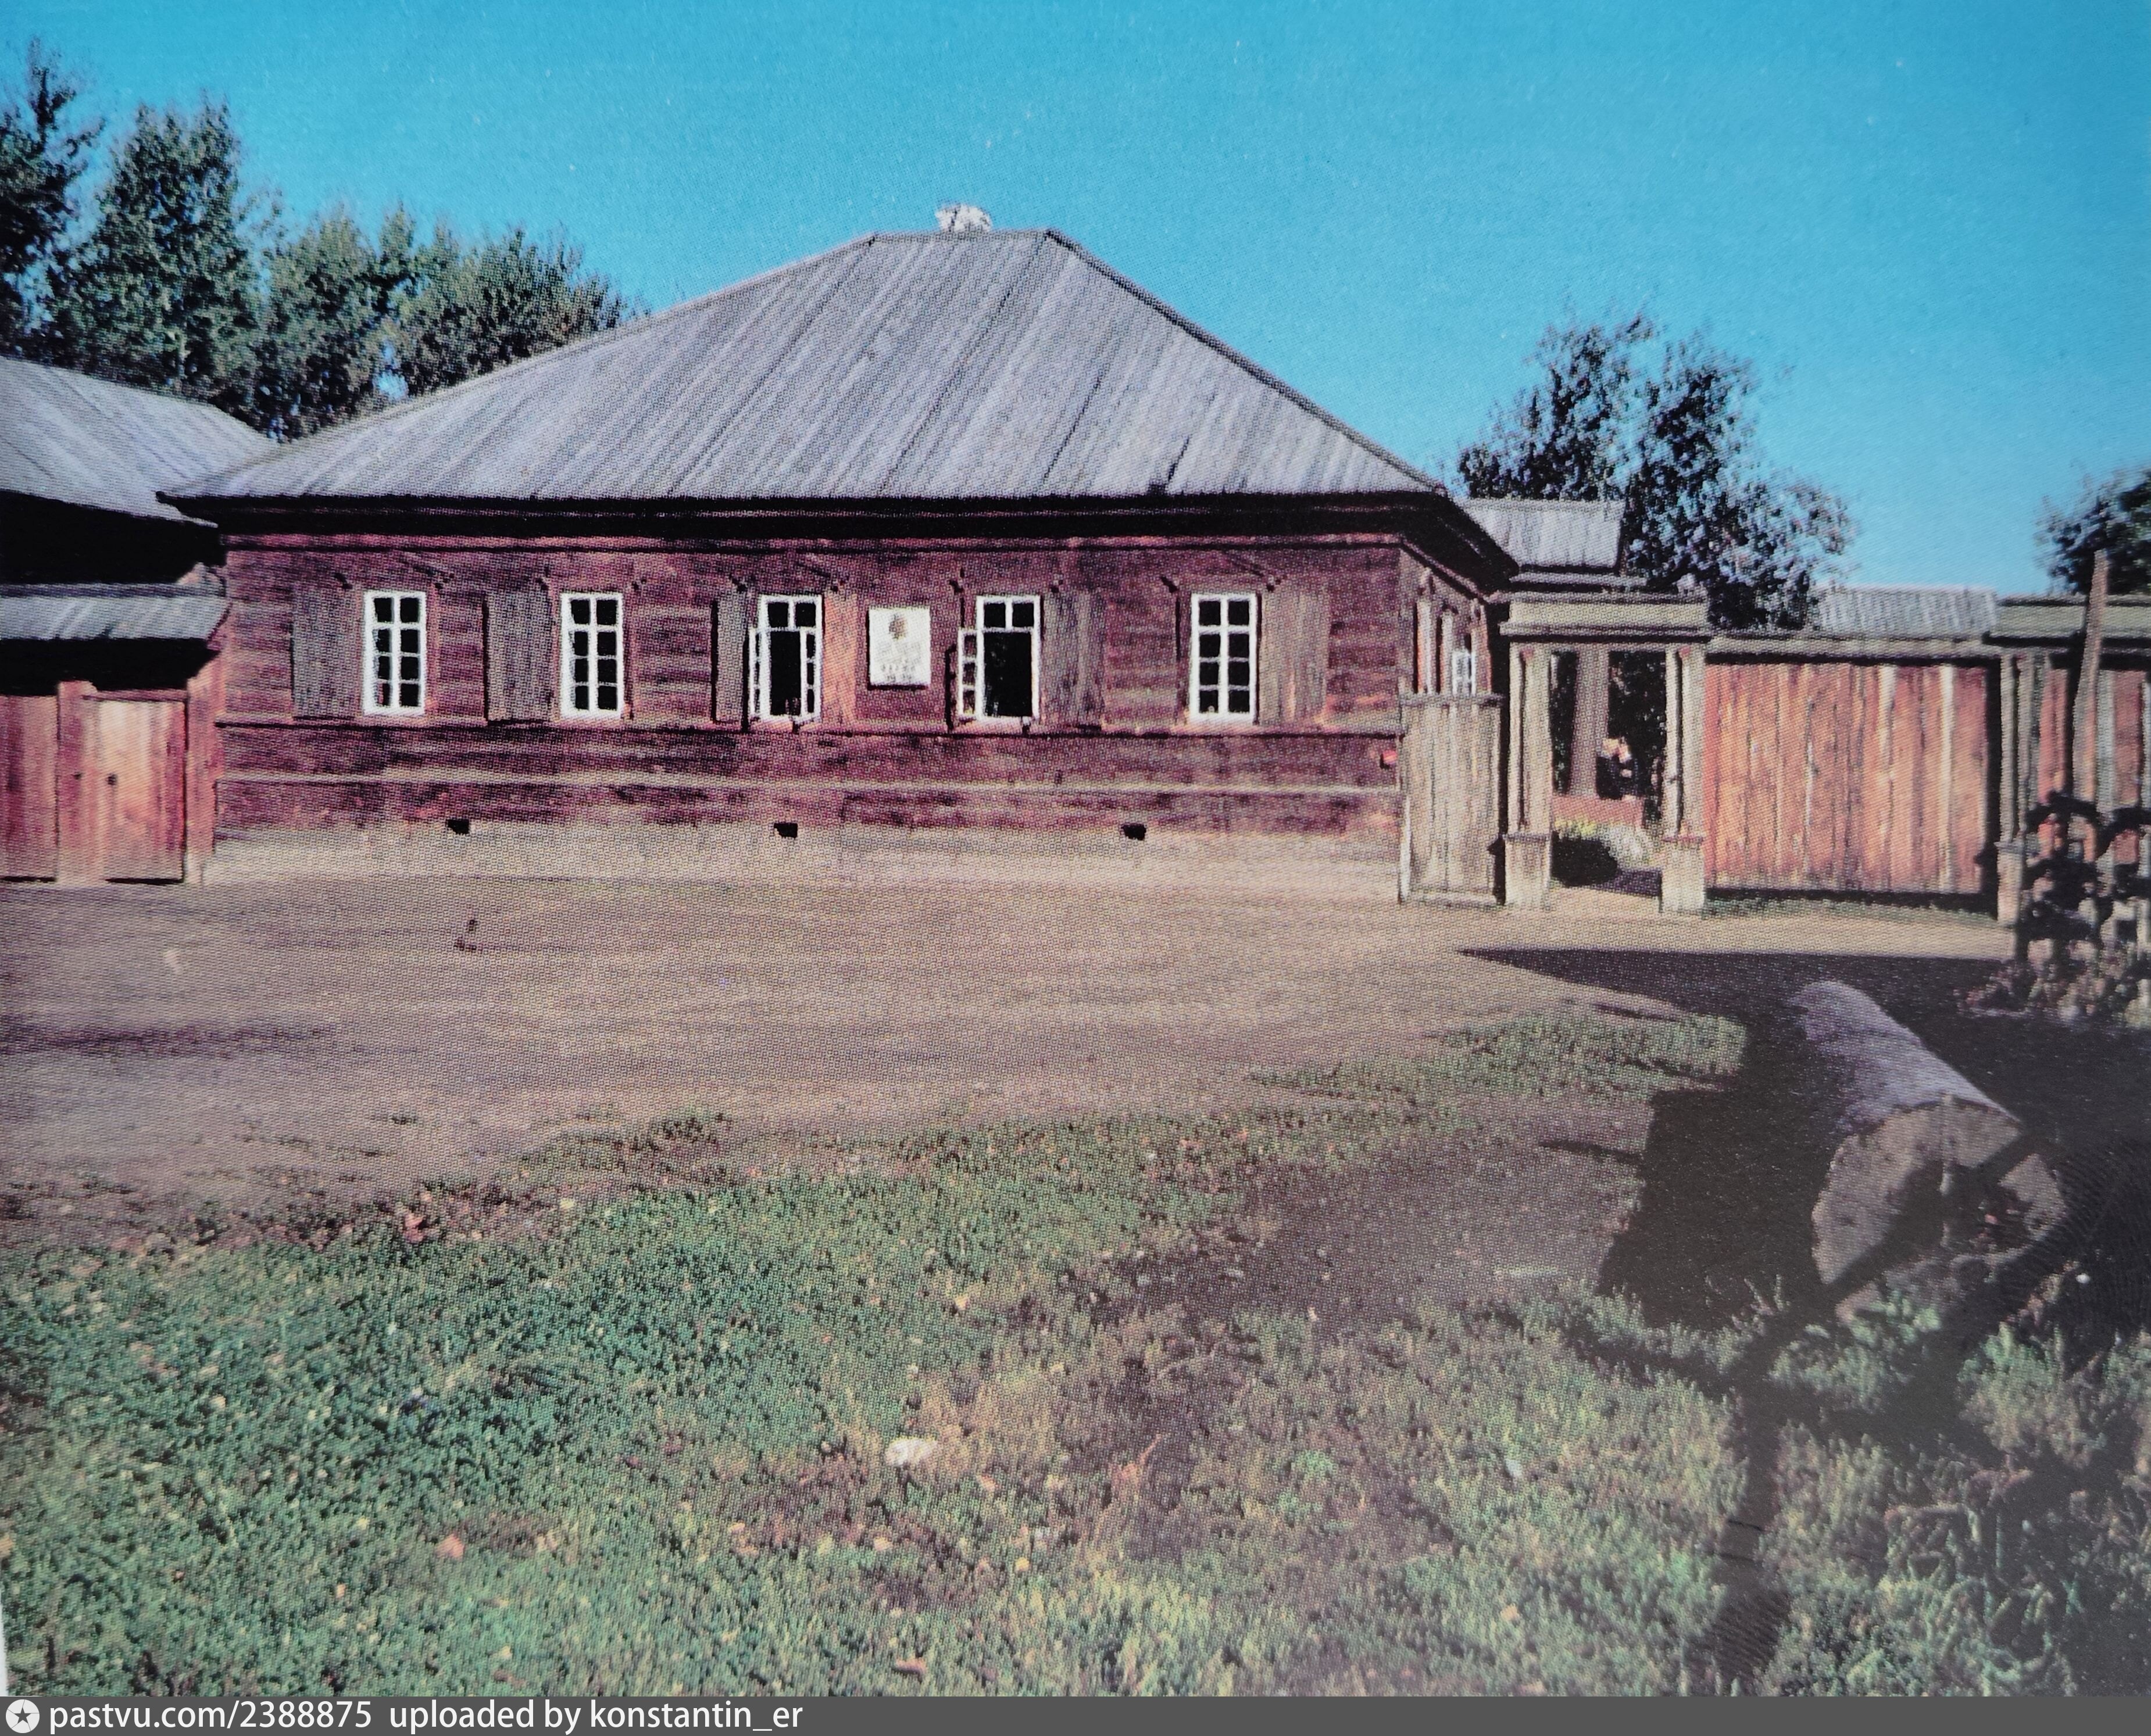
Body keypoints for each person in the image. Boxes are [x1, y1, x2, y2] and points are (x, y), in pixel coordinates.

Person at [1596, 735, 1640, 800]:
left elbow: (1634, 779)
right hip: (1613, 796)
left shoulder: (1631, 762)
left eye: (1621, 746)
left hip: (1626, 796)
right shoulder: (1611, 761)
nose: (1618, 748)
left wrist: (1630, 793)